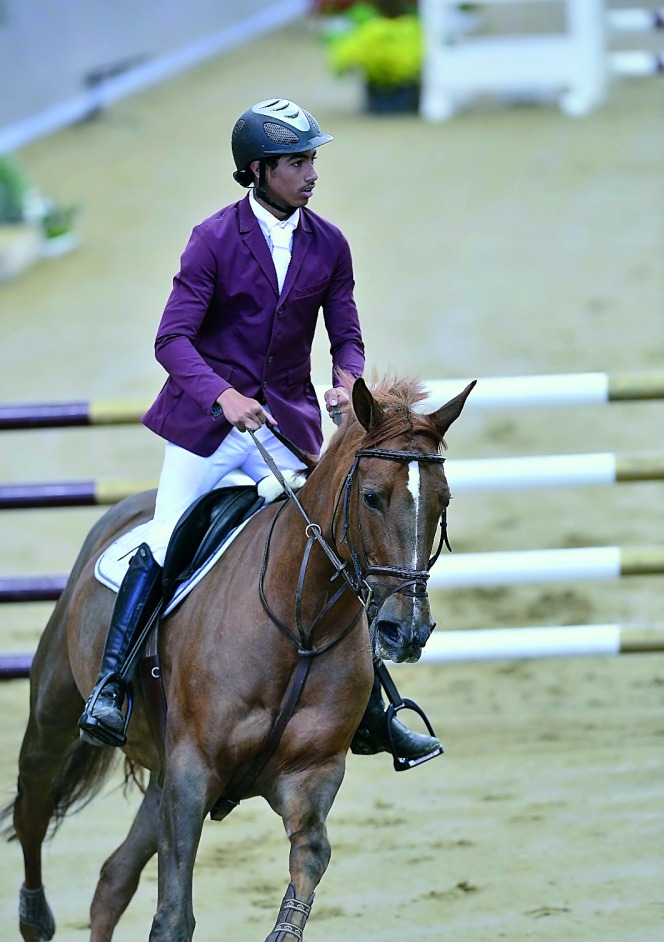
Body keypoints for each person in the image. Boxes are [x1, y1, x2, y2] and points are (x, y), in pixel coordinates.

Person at [78, 98, 441, 767]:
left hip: (285, 428)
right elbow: (172, 339)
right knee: (163, 541)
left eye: (312, 160)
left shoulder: (328, 242)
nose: (311, 173)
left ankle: (375, 712)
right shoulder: (213, 238)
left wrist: (345, 380)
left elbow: (347, 332)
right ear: (257, 170)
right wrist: (223, 395)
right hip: (205, 432)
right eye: (297, 162)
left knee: (337, 551)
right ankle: (110, 688)